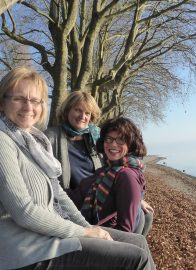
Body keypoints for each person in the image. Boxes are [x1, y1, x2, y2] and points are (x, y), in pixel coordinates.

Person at [0, 66, 155, 270]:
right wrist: (85, 232)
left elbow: (108, 171)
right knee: (135, 258)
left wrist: (87, 227)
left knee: (139, 240)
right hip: (30, 245)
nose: (28, 107)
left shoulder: (38, 142)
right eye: (19, 98)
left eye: (35, 100)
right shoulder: (27, 139)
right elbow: (25, 211)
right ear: (2, 102)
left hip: (66, 215)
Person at [45, 91, 153, 236]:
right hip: (73, 197)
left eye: (87, 113)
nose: (82, 116)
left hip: (100, 192)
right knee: (135, 222)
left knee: (145, 215)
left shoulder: (95, 137)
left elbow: (114, 167)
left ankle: (131, 249)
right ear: (67, 110)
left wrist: (134, 198)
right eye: (77, 109)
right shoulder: (50, 138)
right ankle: (129, 251)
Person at [69, 117, 150, 235]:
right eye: (109, 139)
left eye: (121, 140)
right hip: (88, 229)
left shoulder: (127, 176)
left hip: (103, 241)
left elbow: (125, 230)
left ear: (131, 144)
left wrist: (90, 234)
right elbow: (78, 195)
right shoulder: (105, 171)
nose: (113, 144)